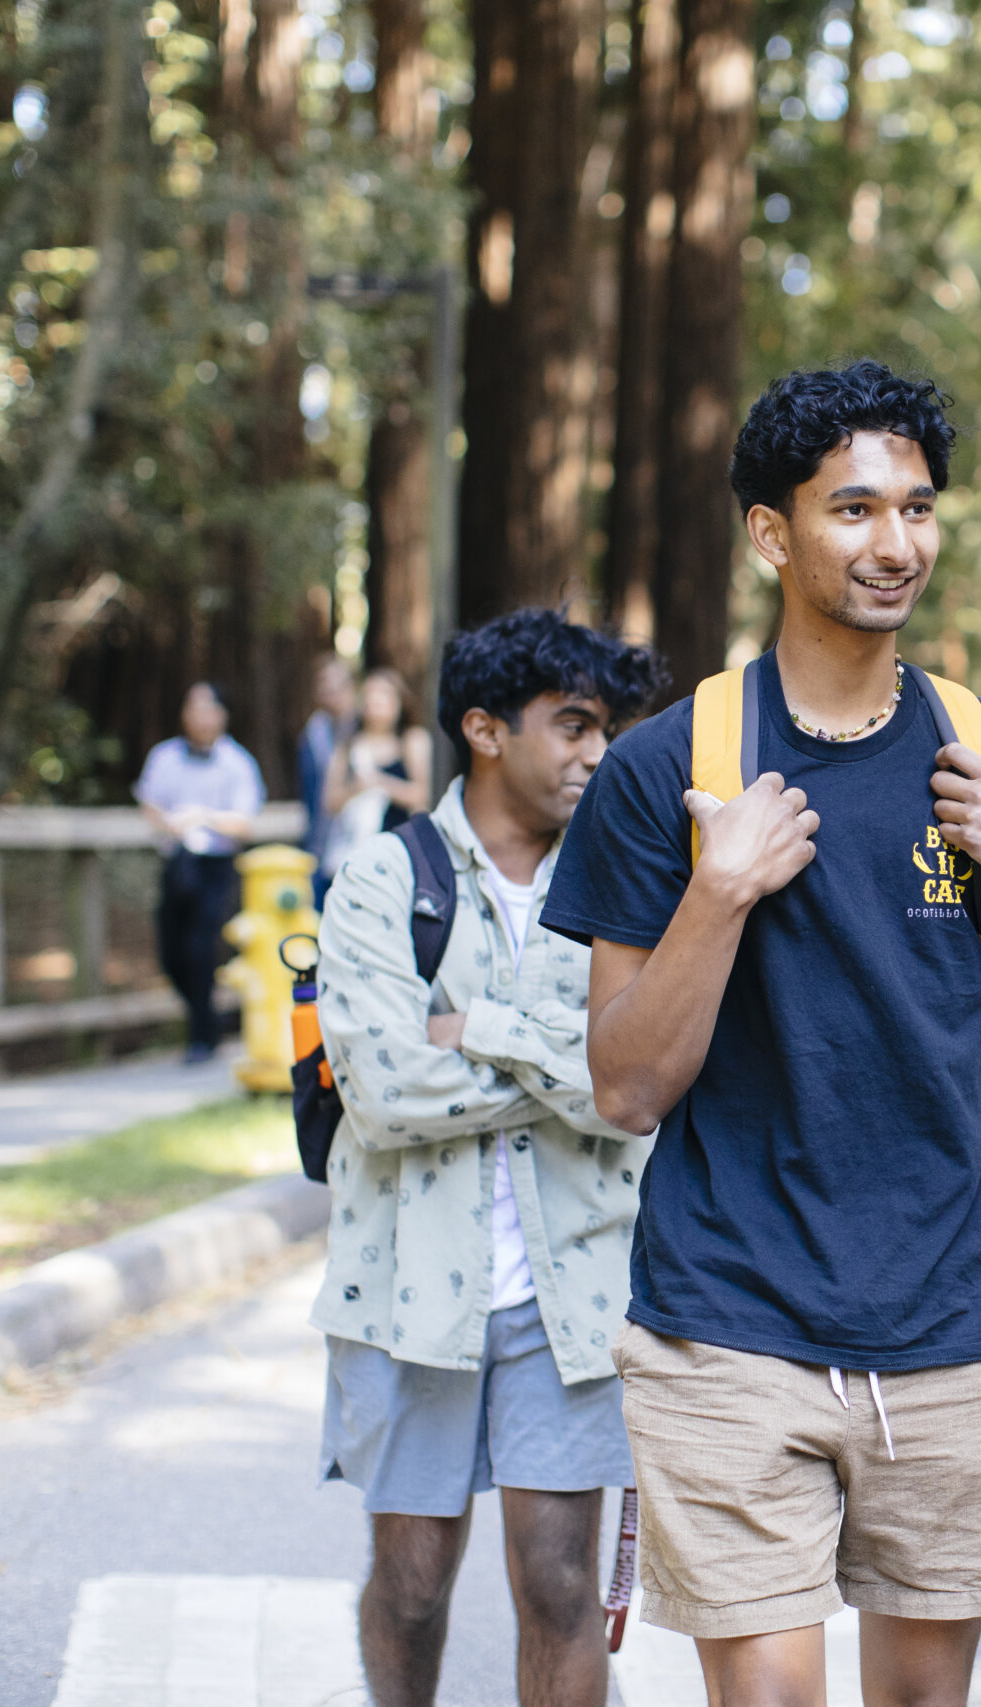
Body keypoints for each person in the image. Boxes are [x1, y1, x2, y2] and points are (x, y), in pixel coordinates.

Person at [542, 359, 981, 1707]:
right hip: (730, 1315)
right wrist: (719, 889)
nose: (895, 542)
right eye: (854, 509)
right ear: (771, 530)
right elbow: (626, 1083)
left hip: (948, 1309)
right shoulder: (666, 767)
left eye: (918, 509)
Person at [310, 608, 663, 1707]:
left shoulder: (623, 884)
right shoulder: (383, 879)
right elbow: (386, 1091)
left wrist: (484, 1028)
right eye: (570, 725)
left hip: (573, 1296)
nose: (597, 753)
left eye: (605, 728)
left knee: (559, 1587)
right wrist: (565, 1058)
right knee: (411, 1583)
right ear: (484, 730)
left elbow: (633, 1093)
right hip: (410, 1287)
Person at [134, 680, 265, 1062]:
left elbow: (245, 821)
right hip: (176, 860)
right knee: (171, 952)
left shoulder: (237, 762)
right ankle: (207, 1019)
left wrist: (203, 817)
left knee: (201, 947)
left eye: (209, 708)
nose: (202, 717)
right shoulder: (164, 757)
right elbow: (149, 802)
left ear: (222, 715)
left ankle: (202, 1038)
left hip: (216, 864)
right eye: (194, 708)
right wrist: (170, 823)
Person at [322, 667, 435, 879]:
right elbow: (330, 801)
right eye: (370, 696)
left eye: (383, 696)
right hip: (354, 853)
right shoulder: (347, 746)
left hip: (399, 853)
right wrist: (356, 788)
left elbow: (422, 795)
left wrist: (379, 782)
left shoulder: (411, 741)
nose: (375, 703)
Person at [300, 654, 357, 900]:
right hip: (323, 849)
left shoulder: (371, 728)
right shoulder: (313, 735)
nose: (331, 694)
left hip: (364, 843)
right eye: (325, 688)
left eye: (337, 686)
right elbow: (310, 797)